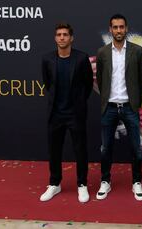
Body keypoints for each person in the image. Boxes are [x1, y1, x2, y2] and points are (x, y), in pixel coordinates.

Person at [96, 14, 142, 201]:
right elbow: (101, 81)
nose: (118, 30)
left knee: (135, 147)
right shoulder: (102, 52)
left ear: (126, 28)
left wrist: (135, 102)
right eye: (115, 27)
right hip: (109, 107)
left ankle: (137, 181)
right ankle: (105, 181)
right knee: (106, 147)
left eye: (121, 27)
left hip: (129, 107)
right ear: (110, 29)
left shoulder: (137, 51)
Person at [40, 23, 93, 203]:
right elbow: (48, 85)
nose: (62, 37)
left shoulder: (81, 58)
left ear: (71, 38)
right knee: (54, 151)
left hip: (75, 113)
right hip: (55, 113)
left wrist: (77, 104)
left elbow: (87, 86)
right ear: (55, 38)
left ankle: (82, 184)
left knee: (80, 151)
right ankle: (54, 183)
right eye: (58, 34)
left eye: (65, 34)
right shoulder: (47, 59)